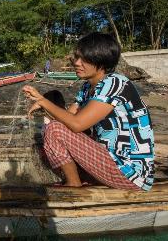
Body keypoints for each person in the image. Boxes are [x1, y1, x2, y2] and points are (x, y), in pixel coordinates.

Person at [23, 32, 154, 191]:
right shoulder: (87, 88)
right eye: (76, 58)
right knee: (47, 136)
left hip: (130, 172)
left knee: (54, 129)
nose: (77, 63)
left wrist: (44, 101)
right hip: (108, 161)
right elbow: (68, 119)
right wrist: (43, 106)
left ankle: (73, 183)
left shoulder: (115, 83)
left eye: (84, 59)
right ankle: (76, 179)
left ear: (101, 61)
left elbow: (77, 124)